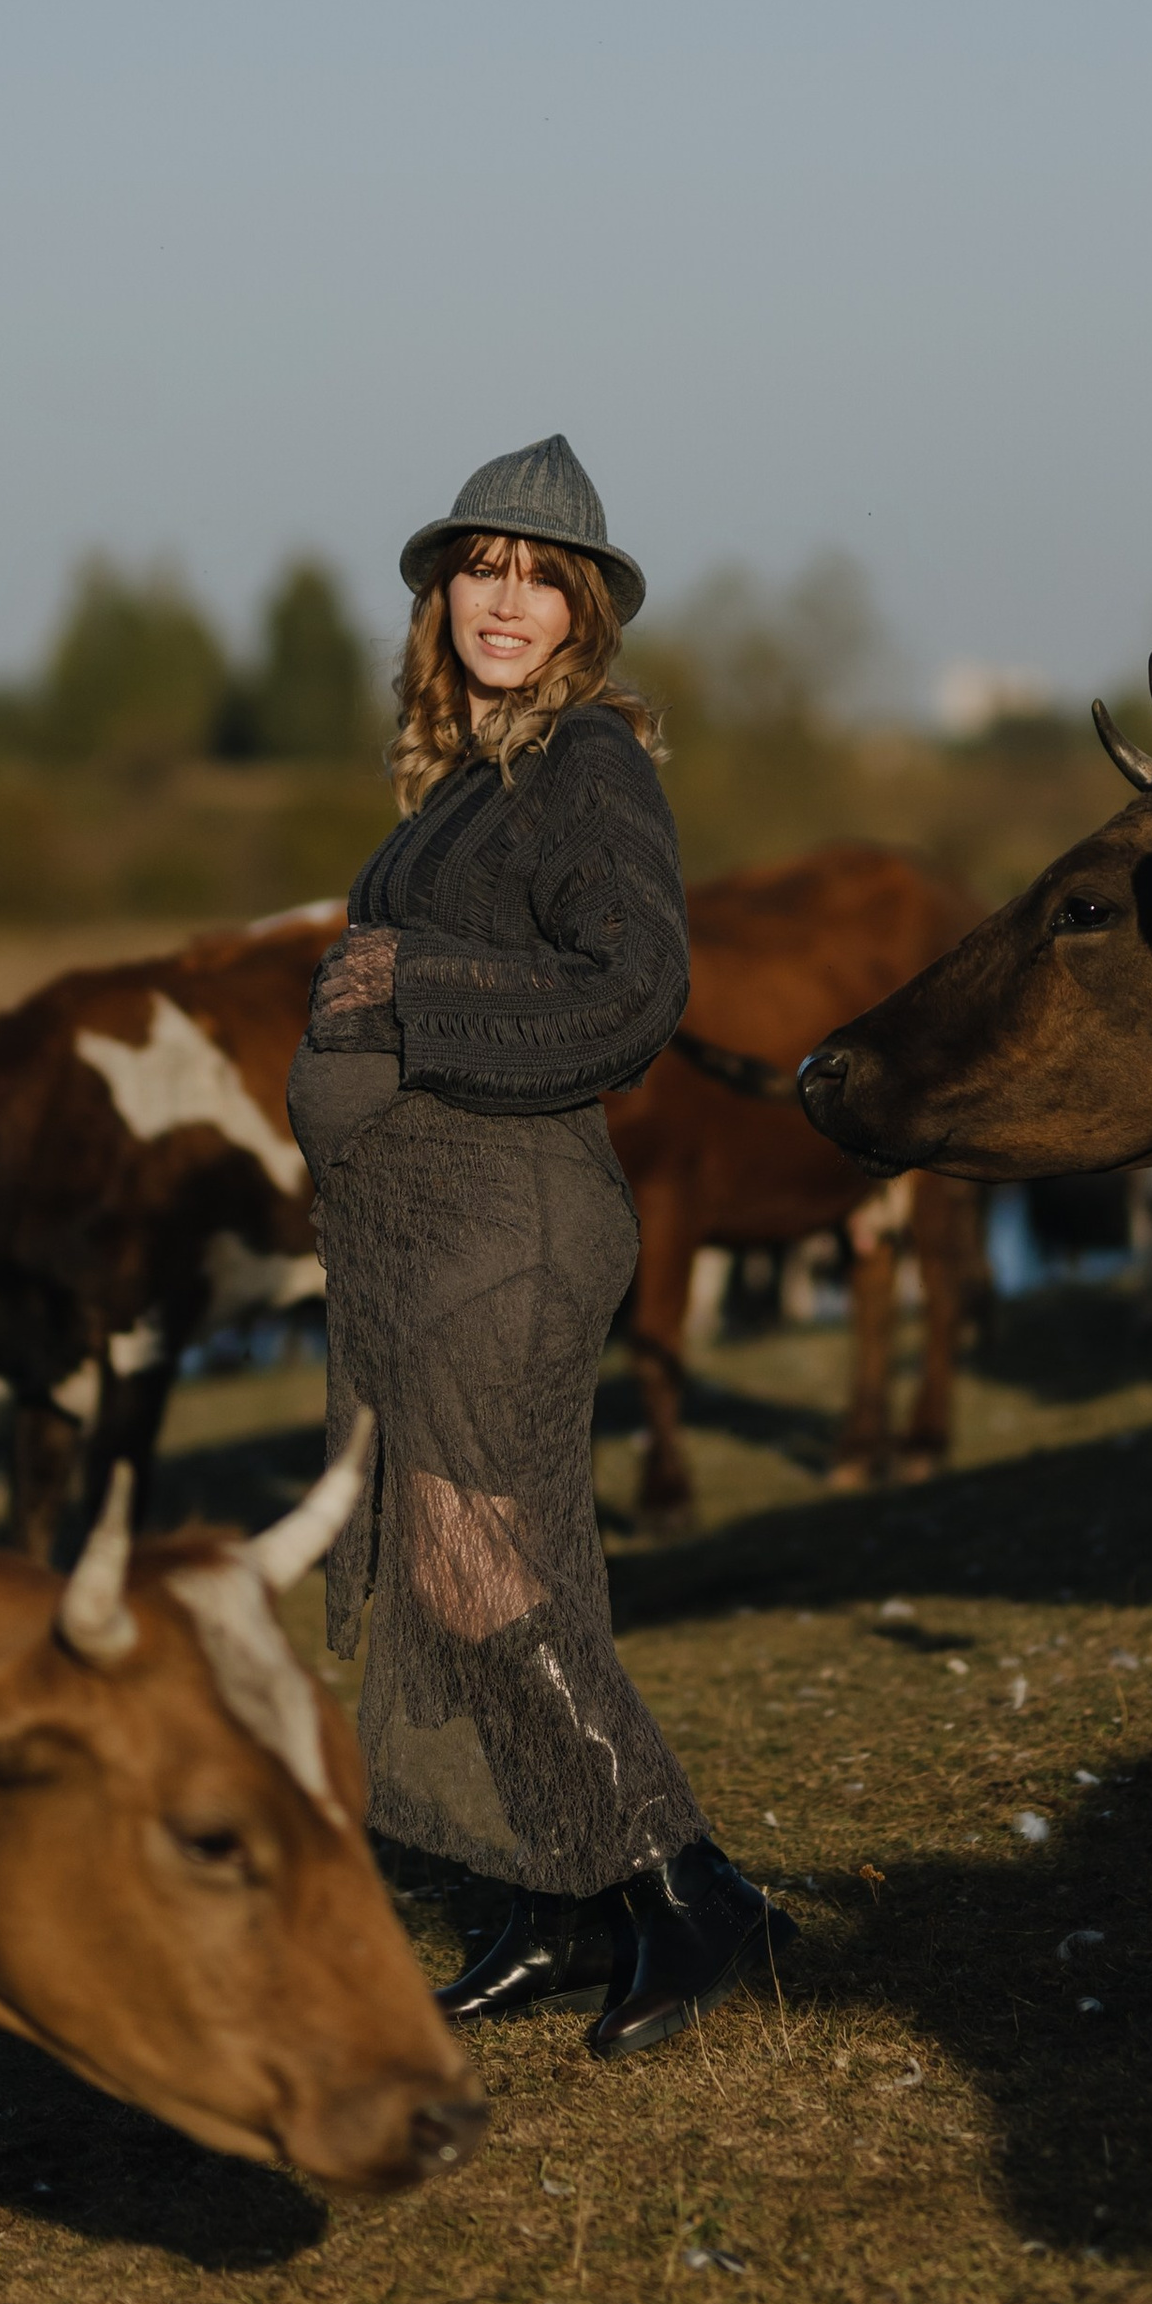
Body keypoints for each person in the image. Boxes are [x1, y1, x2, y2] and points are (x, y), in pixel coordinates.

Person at [287, 433, 791, 2060]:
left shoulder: (586, 768)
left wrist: (407, 992)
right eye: (480, 572)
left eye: (537, 580)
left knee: (475, 1559)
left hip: (511, 1228)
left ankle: (677, 1885)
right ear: (442, 598)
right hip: (433, 1239)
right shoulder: (466, 783)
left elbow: (635, 987)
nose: (503, 603)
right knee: (467, 1566)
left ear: (584, 614)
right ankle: (566, 1890)